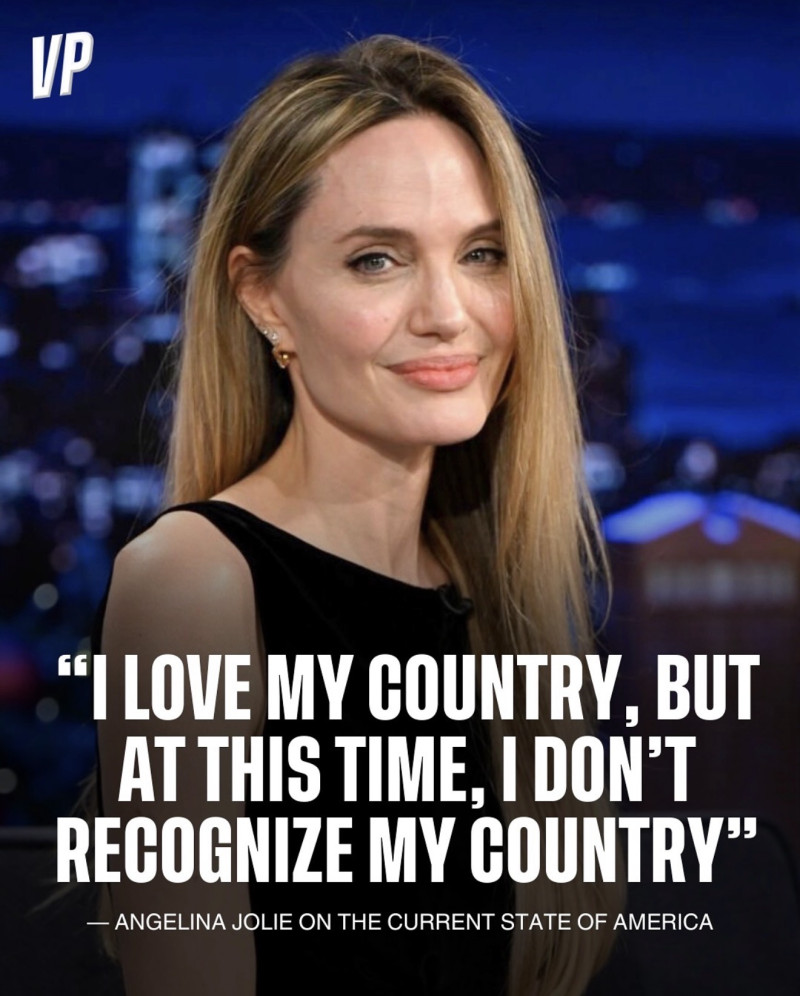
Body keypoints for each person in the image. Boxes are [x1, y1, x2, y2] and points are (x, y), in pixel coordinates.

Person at [96, 34, 622, 996]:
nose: (448, 313)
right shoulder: (192, 583)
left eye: (483, 254)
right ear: (264, 299)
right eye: (377, 260)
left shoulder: (495, 593)